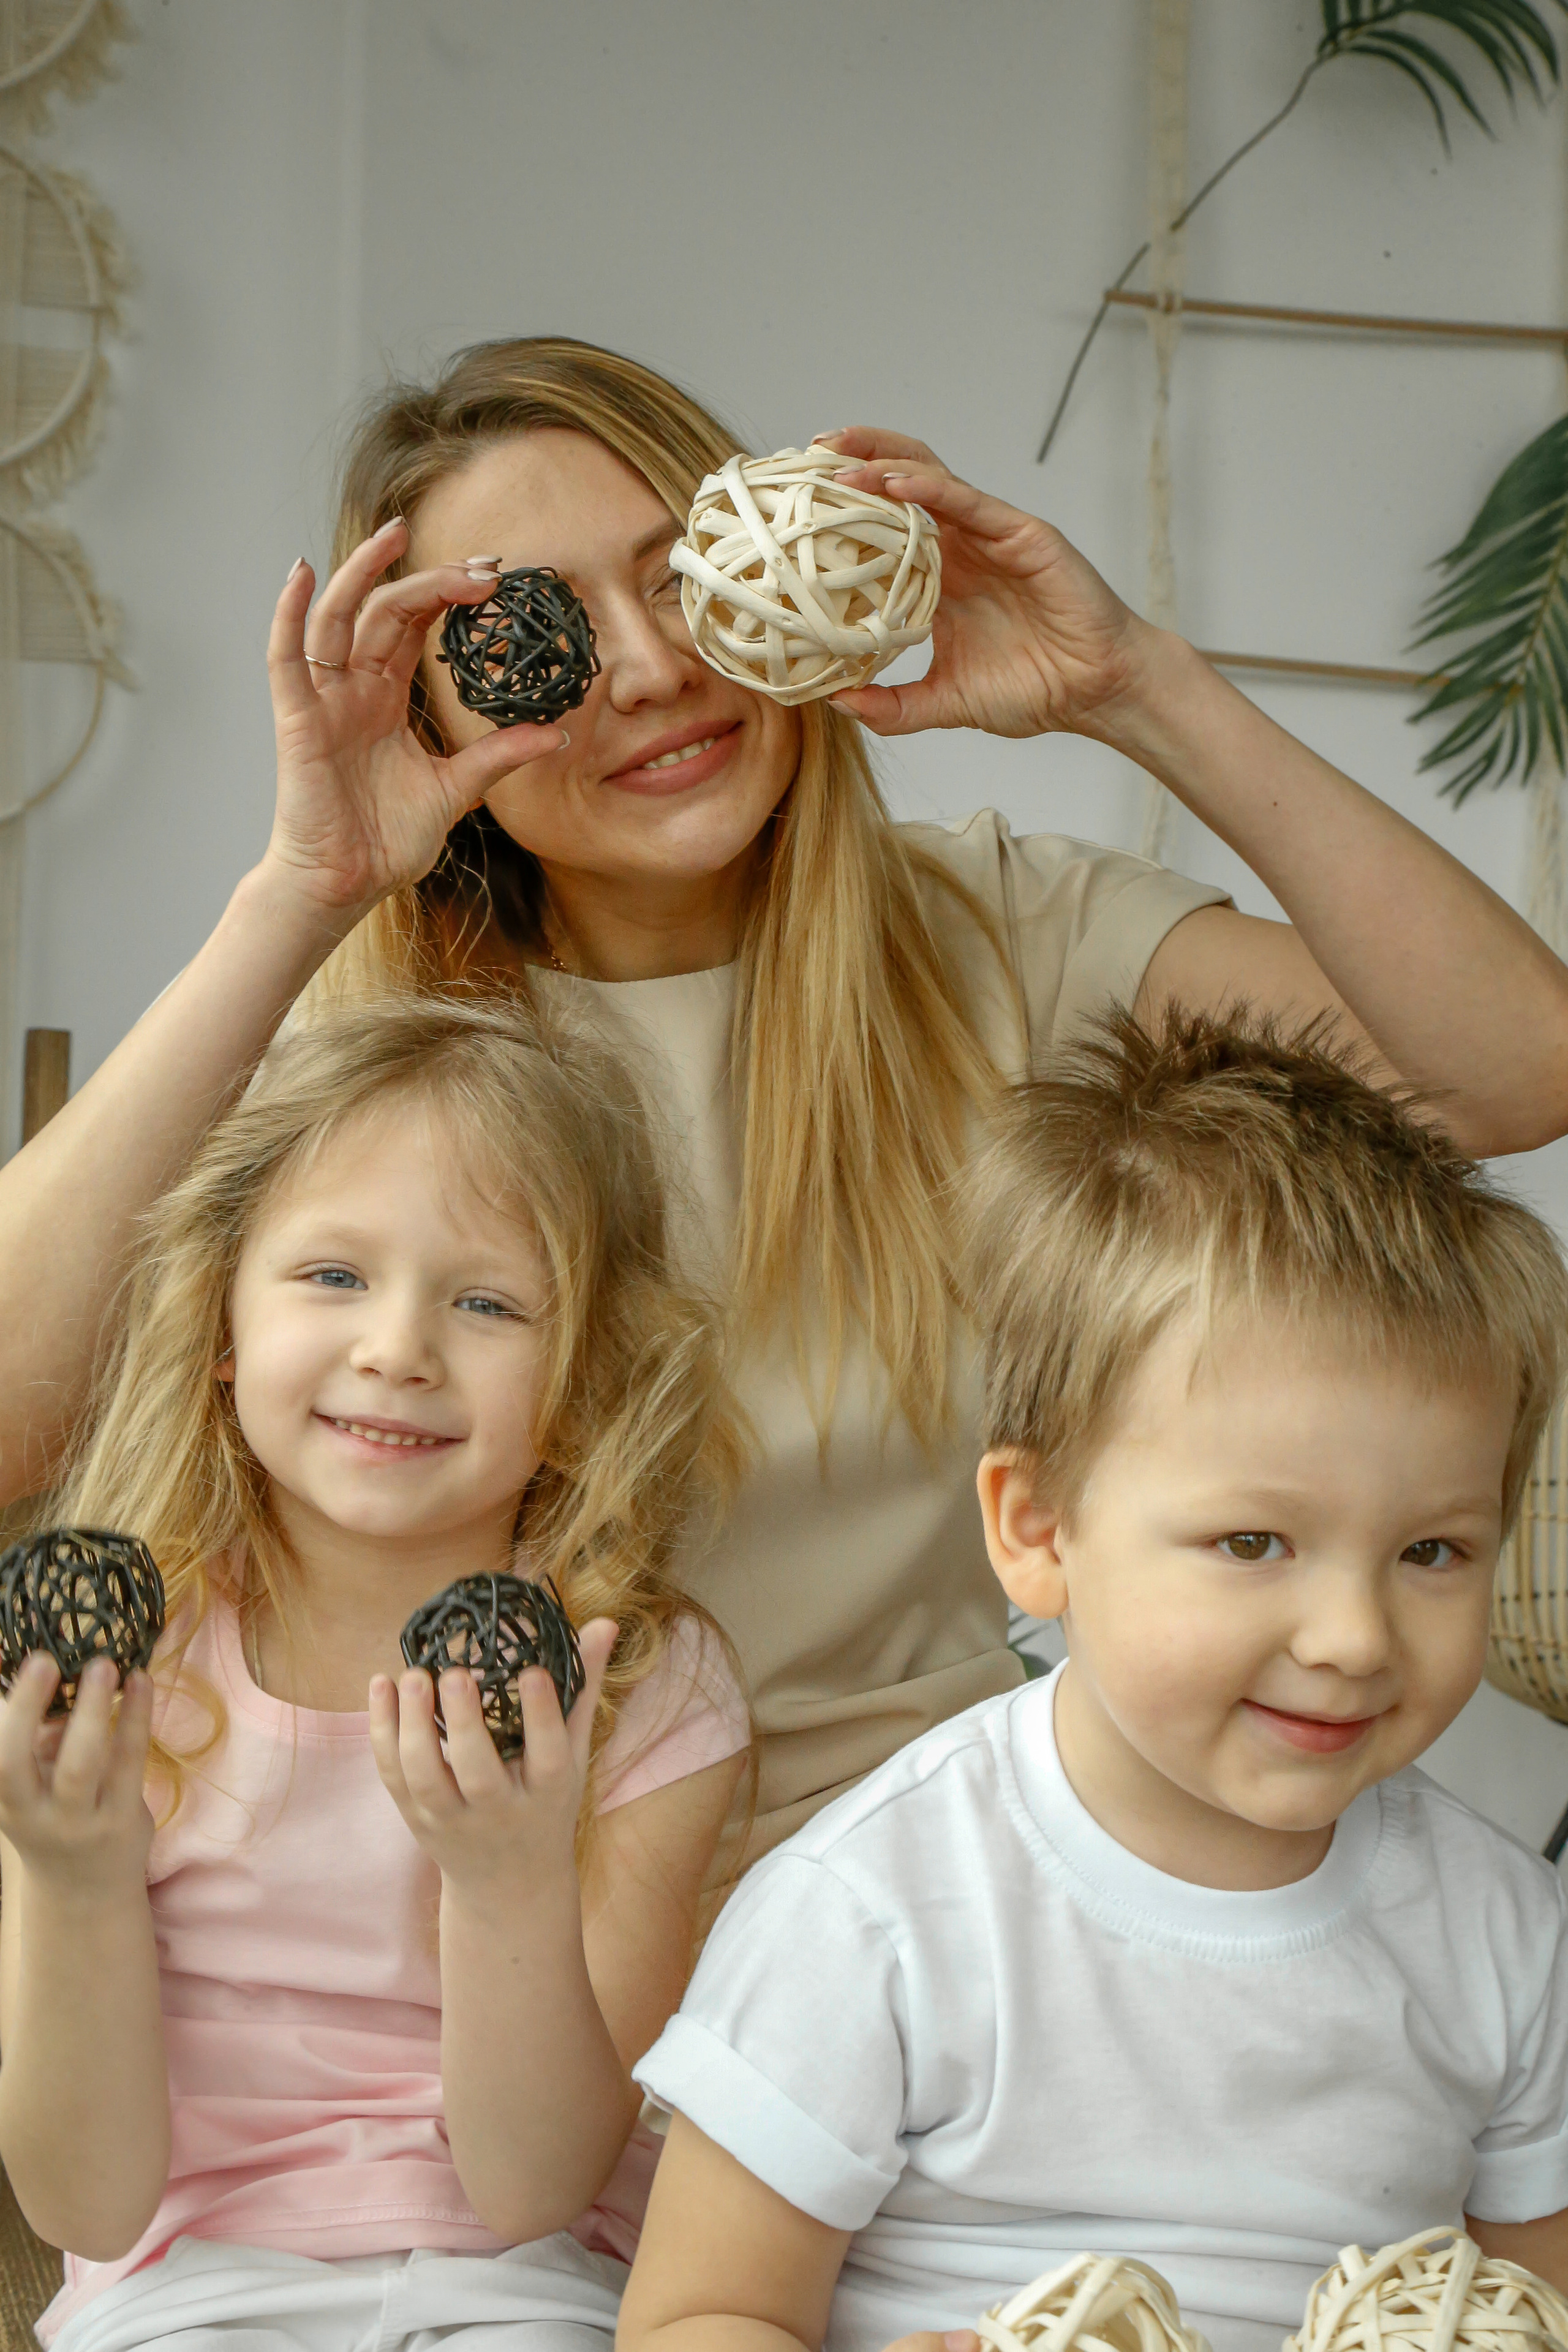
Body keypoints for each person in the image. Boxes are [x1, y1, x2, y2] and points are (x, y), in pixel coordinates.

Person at [0, 339, 1564, 1863]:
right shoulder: (382, 1063)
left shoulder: (1004, 939)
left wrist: (1132, 688)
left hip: (921, 1879)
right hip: (476, 1897)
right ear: (430, 713)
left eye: (682, 578)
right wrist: (303, 893)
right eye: (533, 630)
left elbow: (1508, 1070)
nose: (650, 665)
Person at [619, 1009, 1568, 2352]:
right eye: (1253, 1543)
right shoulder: (872, 1914)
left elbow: (1536, 2302)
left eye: (1429, 1551)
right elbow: (694, 2319)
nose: (1354, 1636)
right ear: (1037, 1530)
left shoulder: (1502, 1933)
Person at [0, 993, 750, 2352]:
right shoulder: (122, 1669)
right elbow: (88, 2207)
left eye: (484, 1302)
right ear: (220, 1321)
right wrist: (69, 1872)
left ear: (585, 1381)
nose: (396, 1347)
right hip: (191, 2282)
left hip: (524, 2286)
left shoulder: (642, 1687)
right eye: (333, 1276)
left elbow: (531, 2190)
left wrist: (506, 1870)